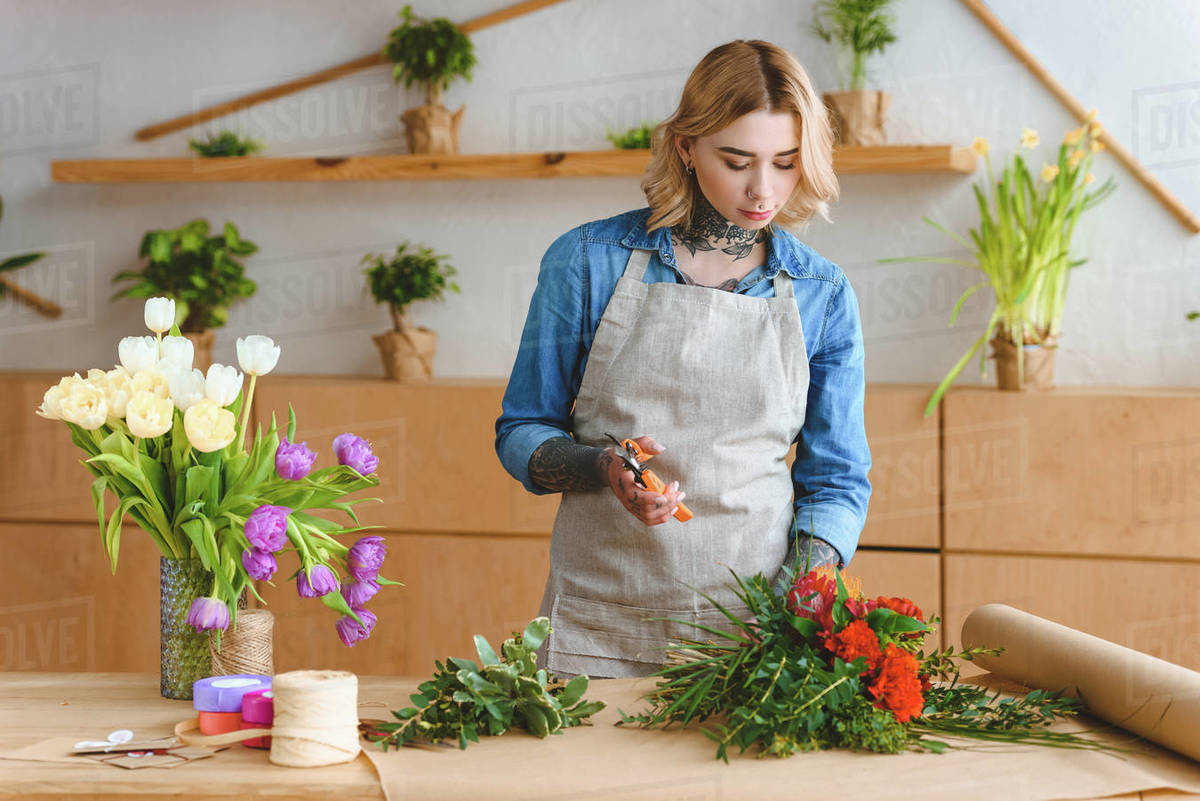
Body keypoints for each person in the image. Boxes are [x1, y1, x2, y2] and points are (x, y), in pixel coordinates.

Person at [494, 40, 871, 679]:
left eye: (785, 163)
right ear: (684, 148)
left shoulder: (821, 293)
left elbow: (836, 480)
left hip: (754, 624)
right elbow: (522, 431)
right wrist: (602, 466)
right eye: (737, 160)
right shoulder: (587, 261)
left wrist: (796, 598)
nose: (763, 190)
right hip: (602, 620)